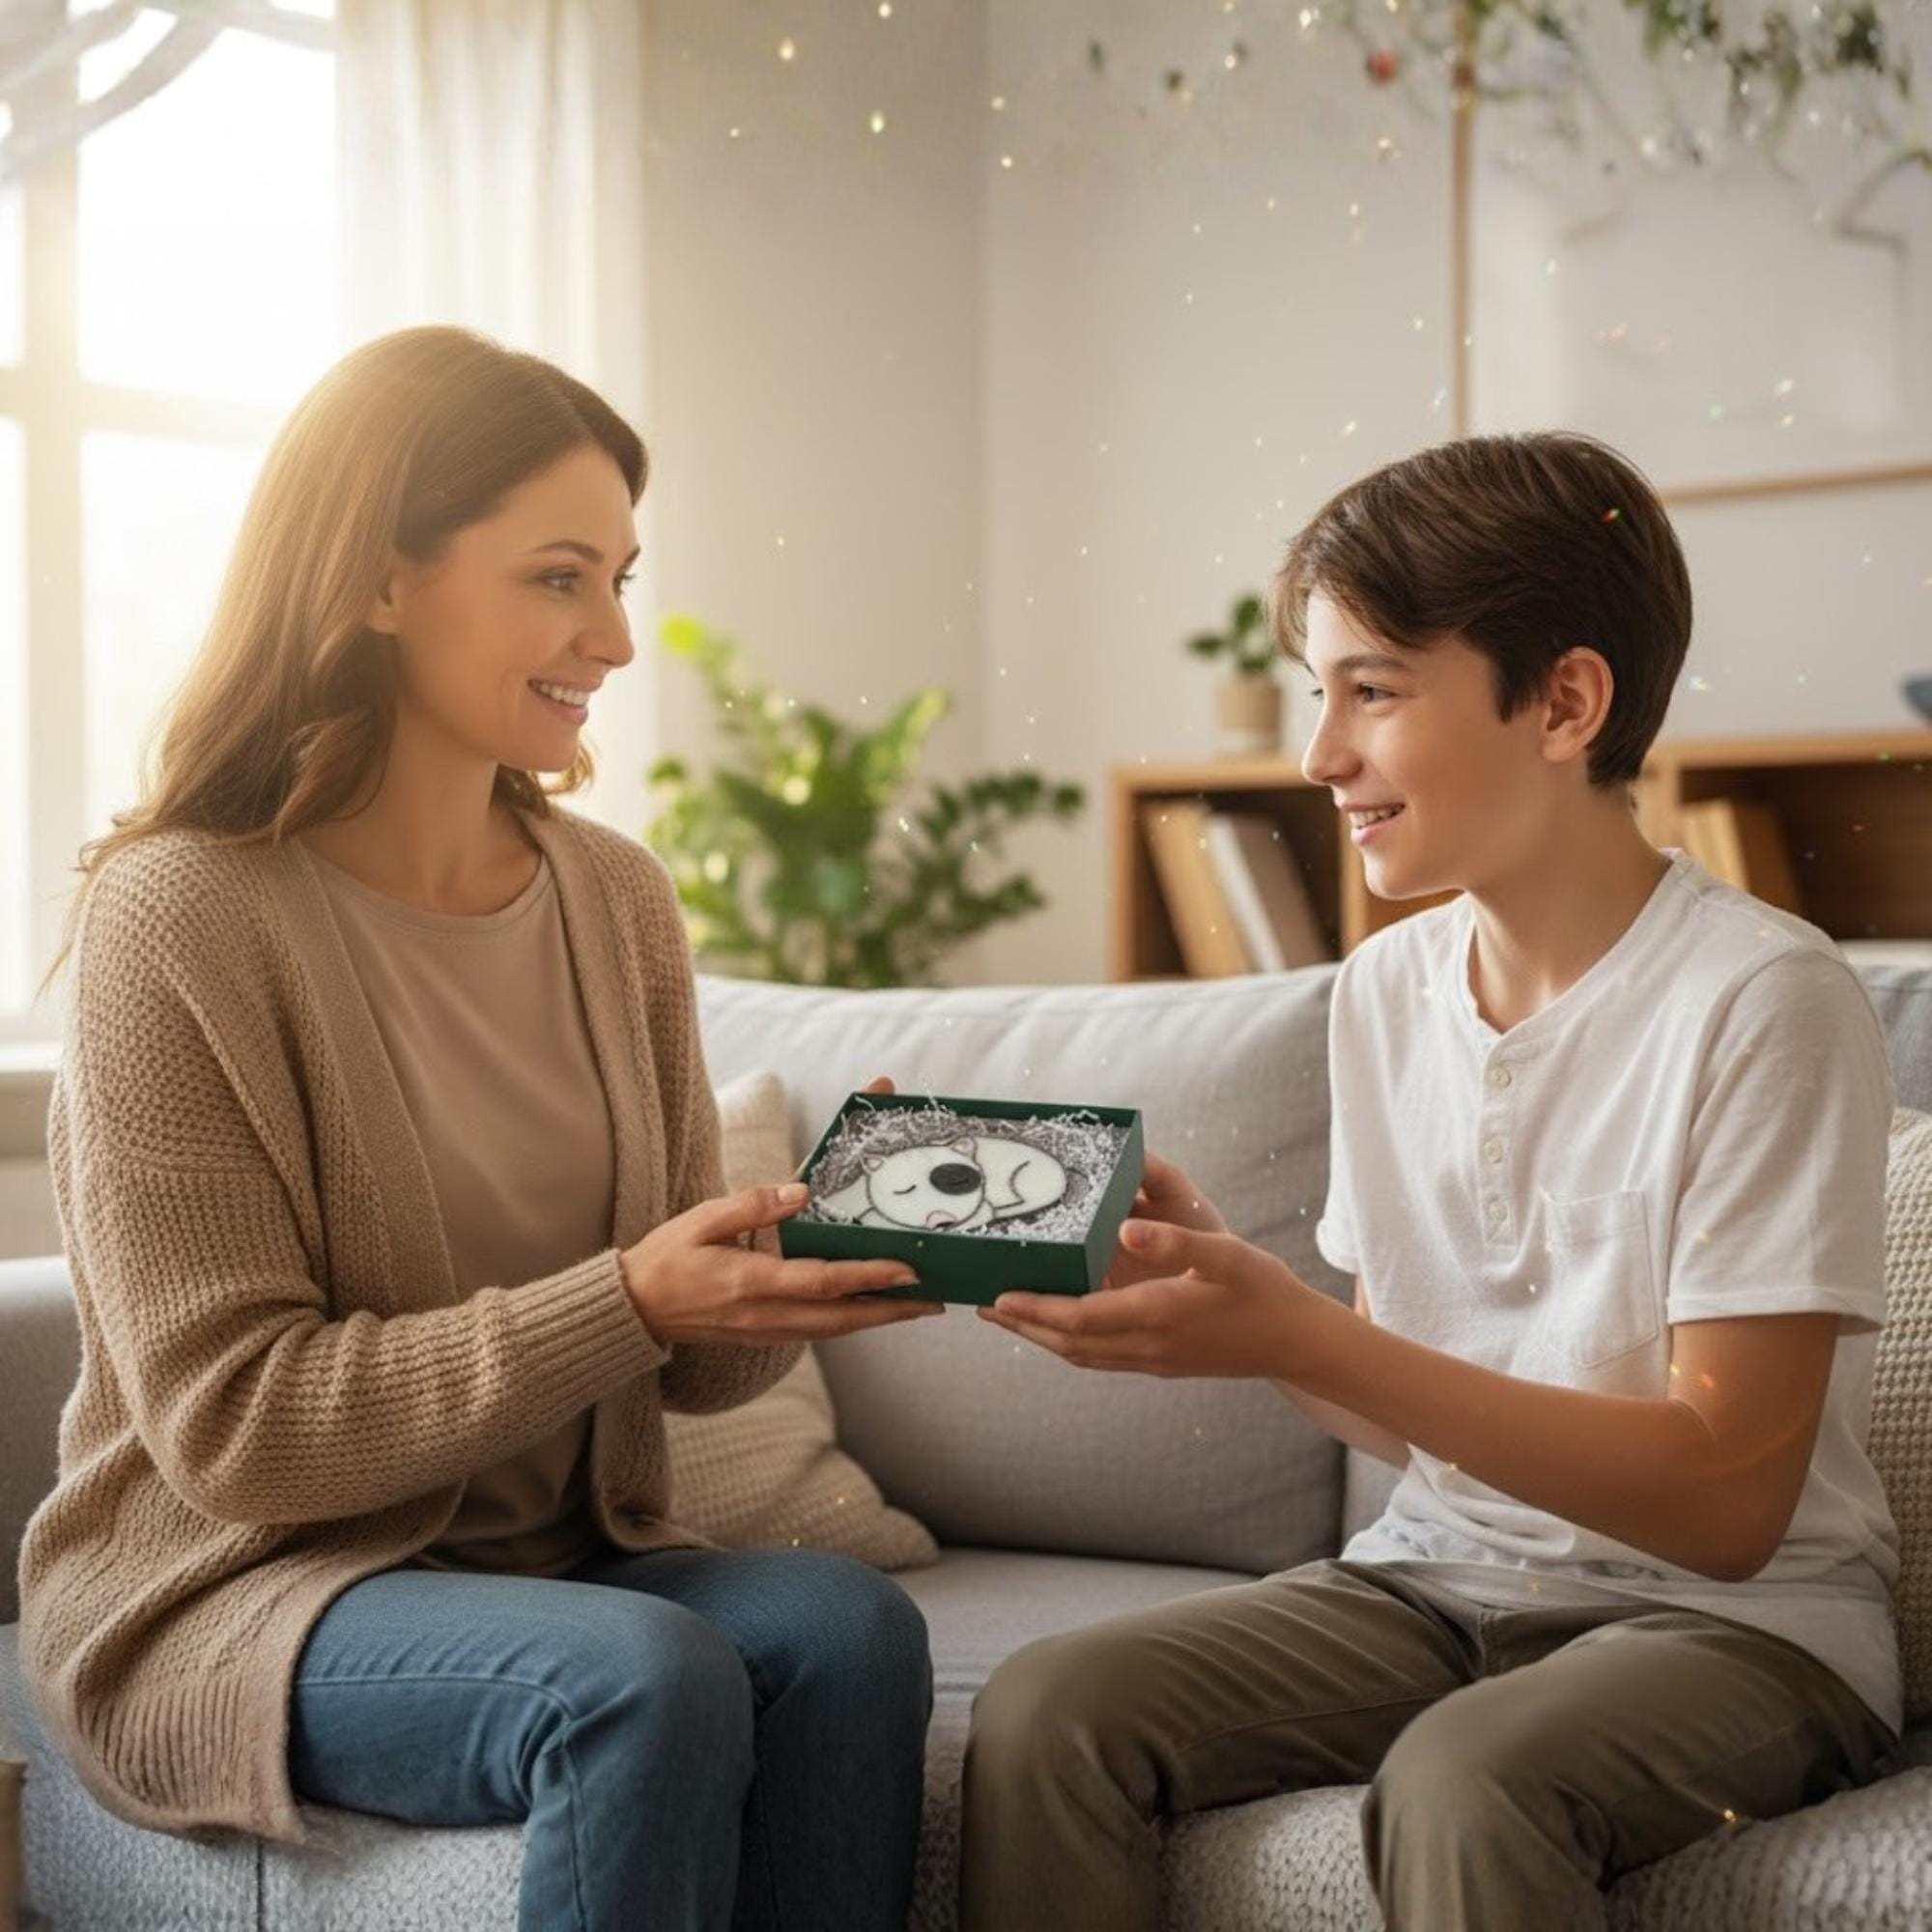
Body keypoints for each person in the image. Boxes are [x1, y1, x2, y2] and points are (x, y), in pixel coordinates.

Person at [19, 325, 944, 1932]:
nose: (614, 639)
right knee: (637, 1680)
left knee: (847, 1627)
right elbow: (239, 1428)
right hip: (248, 1592)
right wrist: (635, 1297)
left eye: (623, 581)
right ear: (380, 581)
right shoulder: (179, 917)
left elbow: (693, 1366)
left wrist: (819, 1270)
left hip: (561, 1566)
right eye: (559, 578)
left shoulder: (613, 900)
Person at [956, 431, 1901, 1932]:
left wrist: (1298, 1333)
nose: (1322, 754)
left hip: (1737, 1627)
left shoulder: (1761, 1000)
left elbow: (1726, 1503)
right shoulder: (1385, 992)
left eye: (1374, 690)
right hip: (1433, 1580)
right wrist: (1247, 1313)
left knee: (1468, 1779)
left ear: (1566, 703)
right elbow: (1403, 1392)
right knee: (1050, 1710)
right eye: (1316, 694)